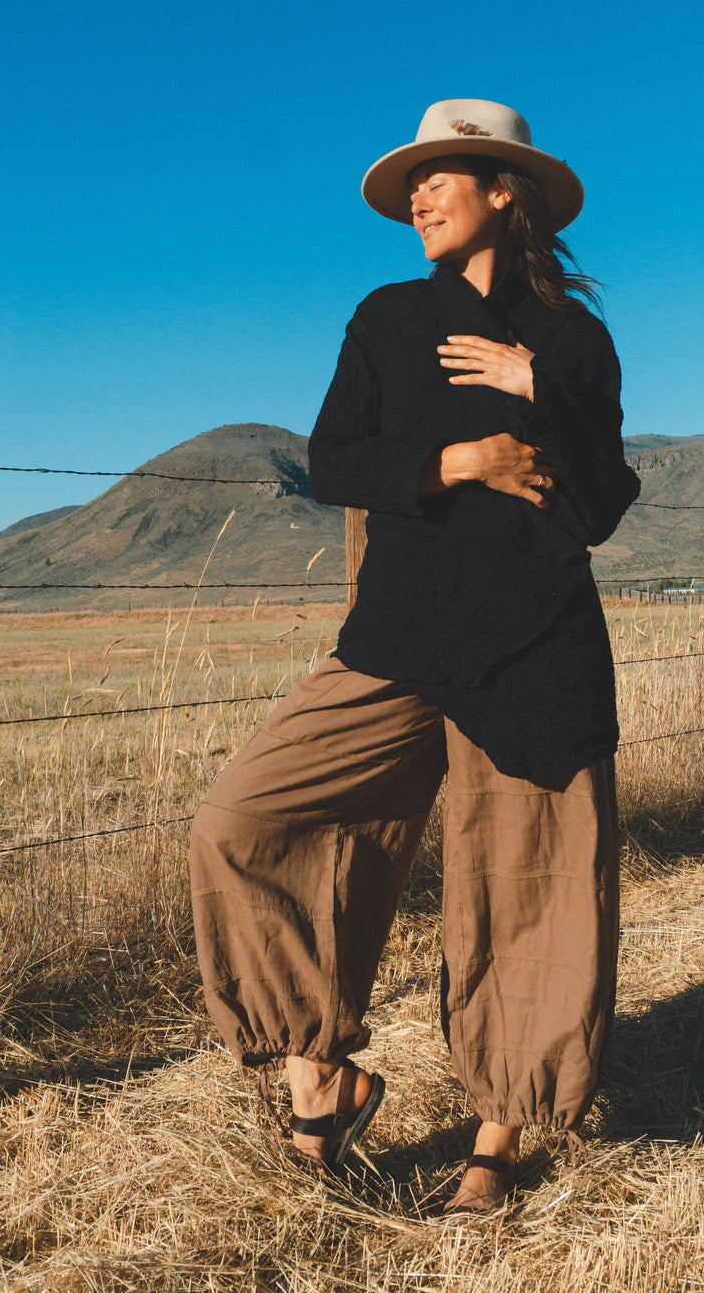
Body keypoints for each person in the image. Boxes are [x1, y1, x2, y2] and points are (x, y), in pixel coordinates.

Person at [188, 99, 640, 1214]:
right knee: (243, 816)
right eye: (413, 186)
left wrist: (541, 393)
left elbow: (602, 503)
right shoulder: (388, 318)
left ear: (504, 190)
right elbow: (333, 459)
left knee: (529, 889)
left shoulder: (573, 340)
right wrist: (458, 459)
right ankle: (322, 1074)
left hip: (537, 644)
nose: (418, 199)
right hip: (398, 636)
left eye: (441, 177)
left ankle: (497, 1137)